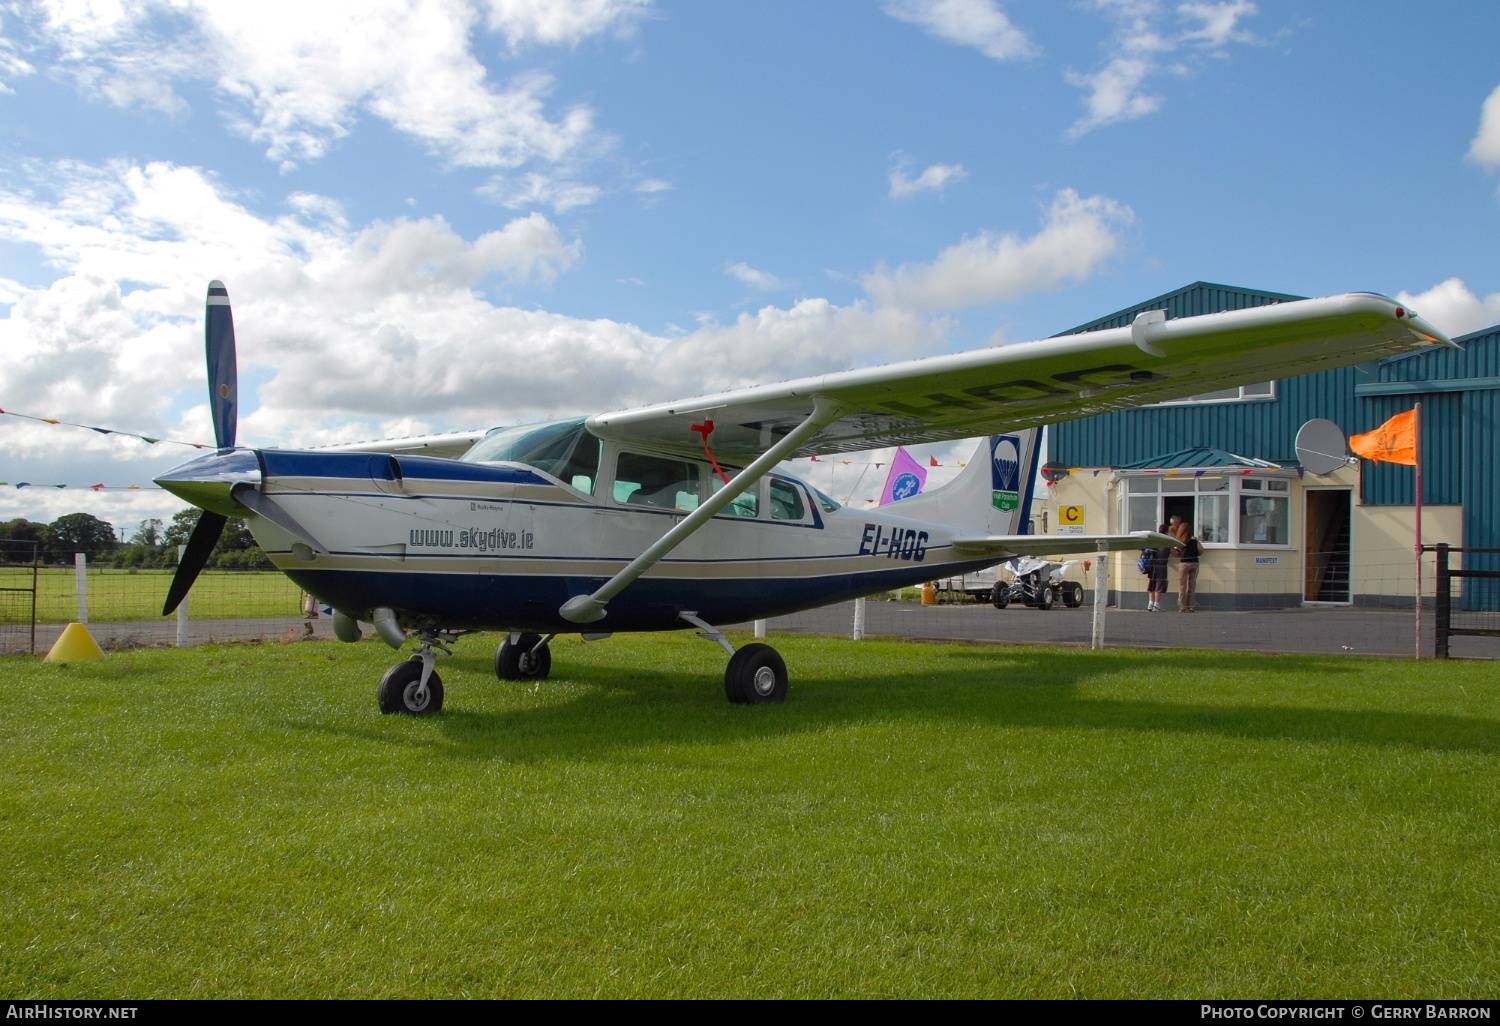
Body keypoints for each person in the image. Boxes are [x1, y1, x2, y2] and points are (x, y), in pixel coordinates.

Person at [1176, 522, 1202, 612]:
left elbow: (1177, 554)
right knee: (1192, 585)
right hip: (1195, 563)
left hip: (1184, 563)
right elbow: (1200, 551)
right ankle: (1191, 606)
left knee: (1182, 586)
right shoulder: (1194, 539)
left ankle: (1182, 607)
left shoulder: (1181, 540)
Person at [1146, 523, 1171, 611]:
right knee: (1159, 585)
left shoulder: (1154, 540)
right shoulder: (1167, 541)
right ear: (1167, 532)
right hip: (1162, 565)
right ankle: (1156, 605)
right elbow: (1175, 553)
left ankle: (1150, 604)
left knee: (1152, 585)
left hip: (1152, 565)